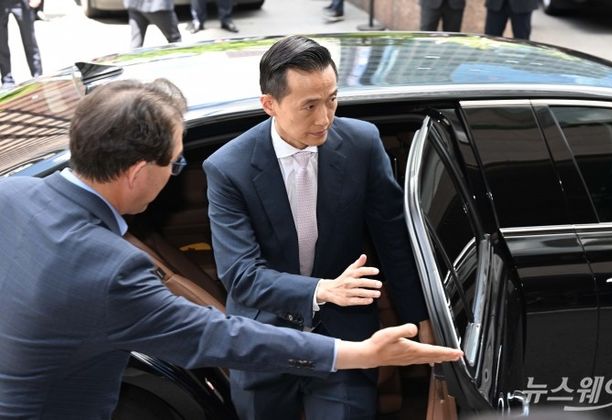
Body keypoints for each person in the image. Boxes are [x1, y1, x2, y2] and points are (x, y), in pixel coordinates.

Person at [0, 78, 463, 418]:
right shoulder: (113, 270)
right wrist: (361, 354)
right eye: (176, 163)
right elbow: (221, 336)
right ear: (138, 172)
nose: (175, 173)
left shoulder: (11, 196)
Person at [204, 35, 437, 420]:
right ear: (269, 105)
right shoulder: (228, 168)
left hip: (346, 337)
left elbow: (393, 237)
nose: (324, 118)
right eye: (309, 105)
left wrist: (419, 317)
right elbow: (241, 275)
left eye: (332, 99)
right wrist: (323, 290)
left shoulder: (362, 143)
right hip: (264, 340)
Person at [0, 0, 42, 90]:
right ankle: (7, 80)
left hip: (22, 2)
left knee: (30, 41)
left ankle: (37, 75)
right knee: (1, 44)